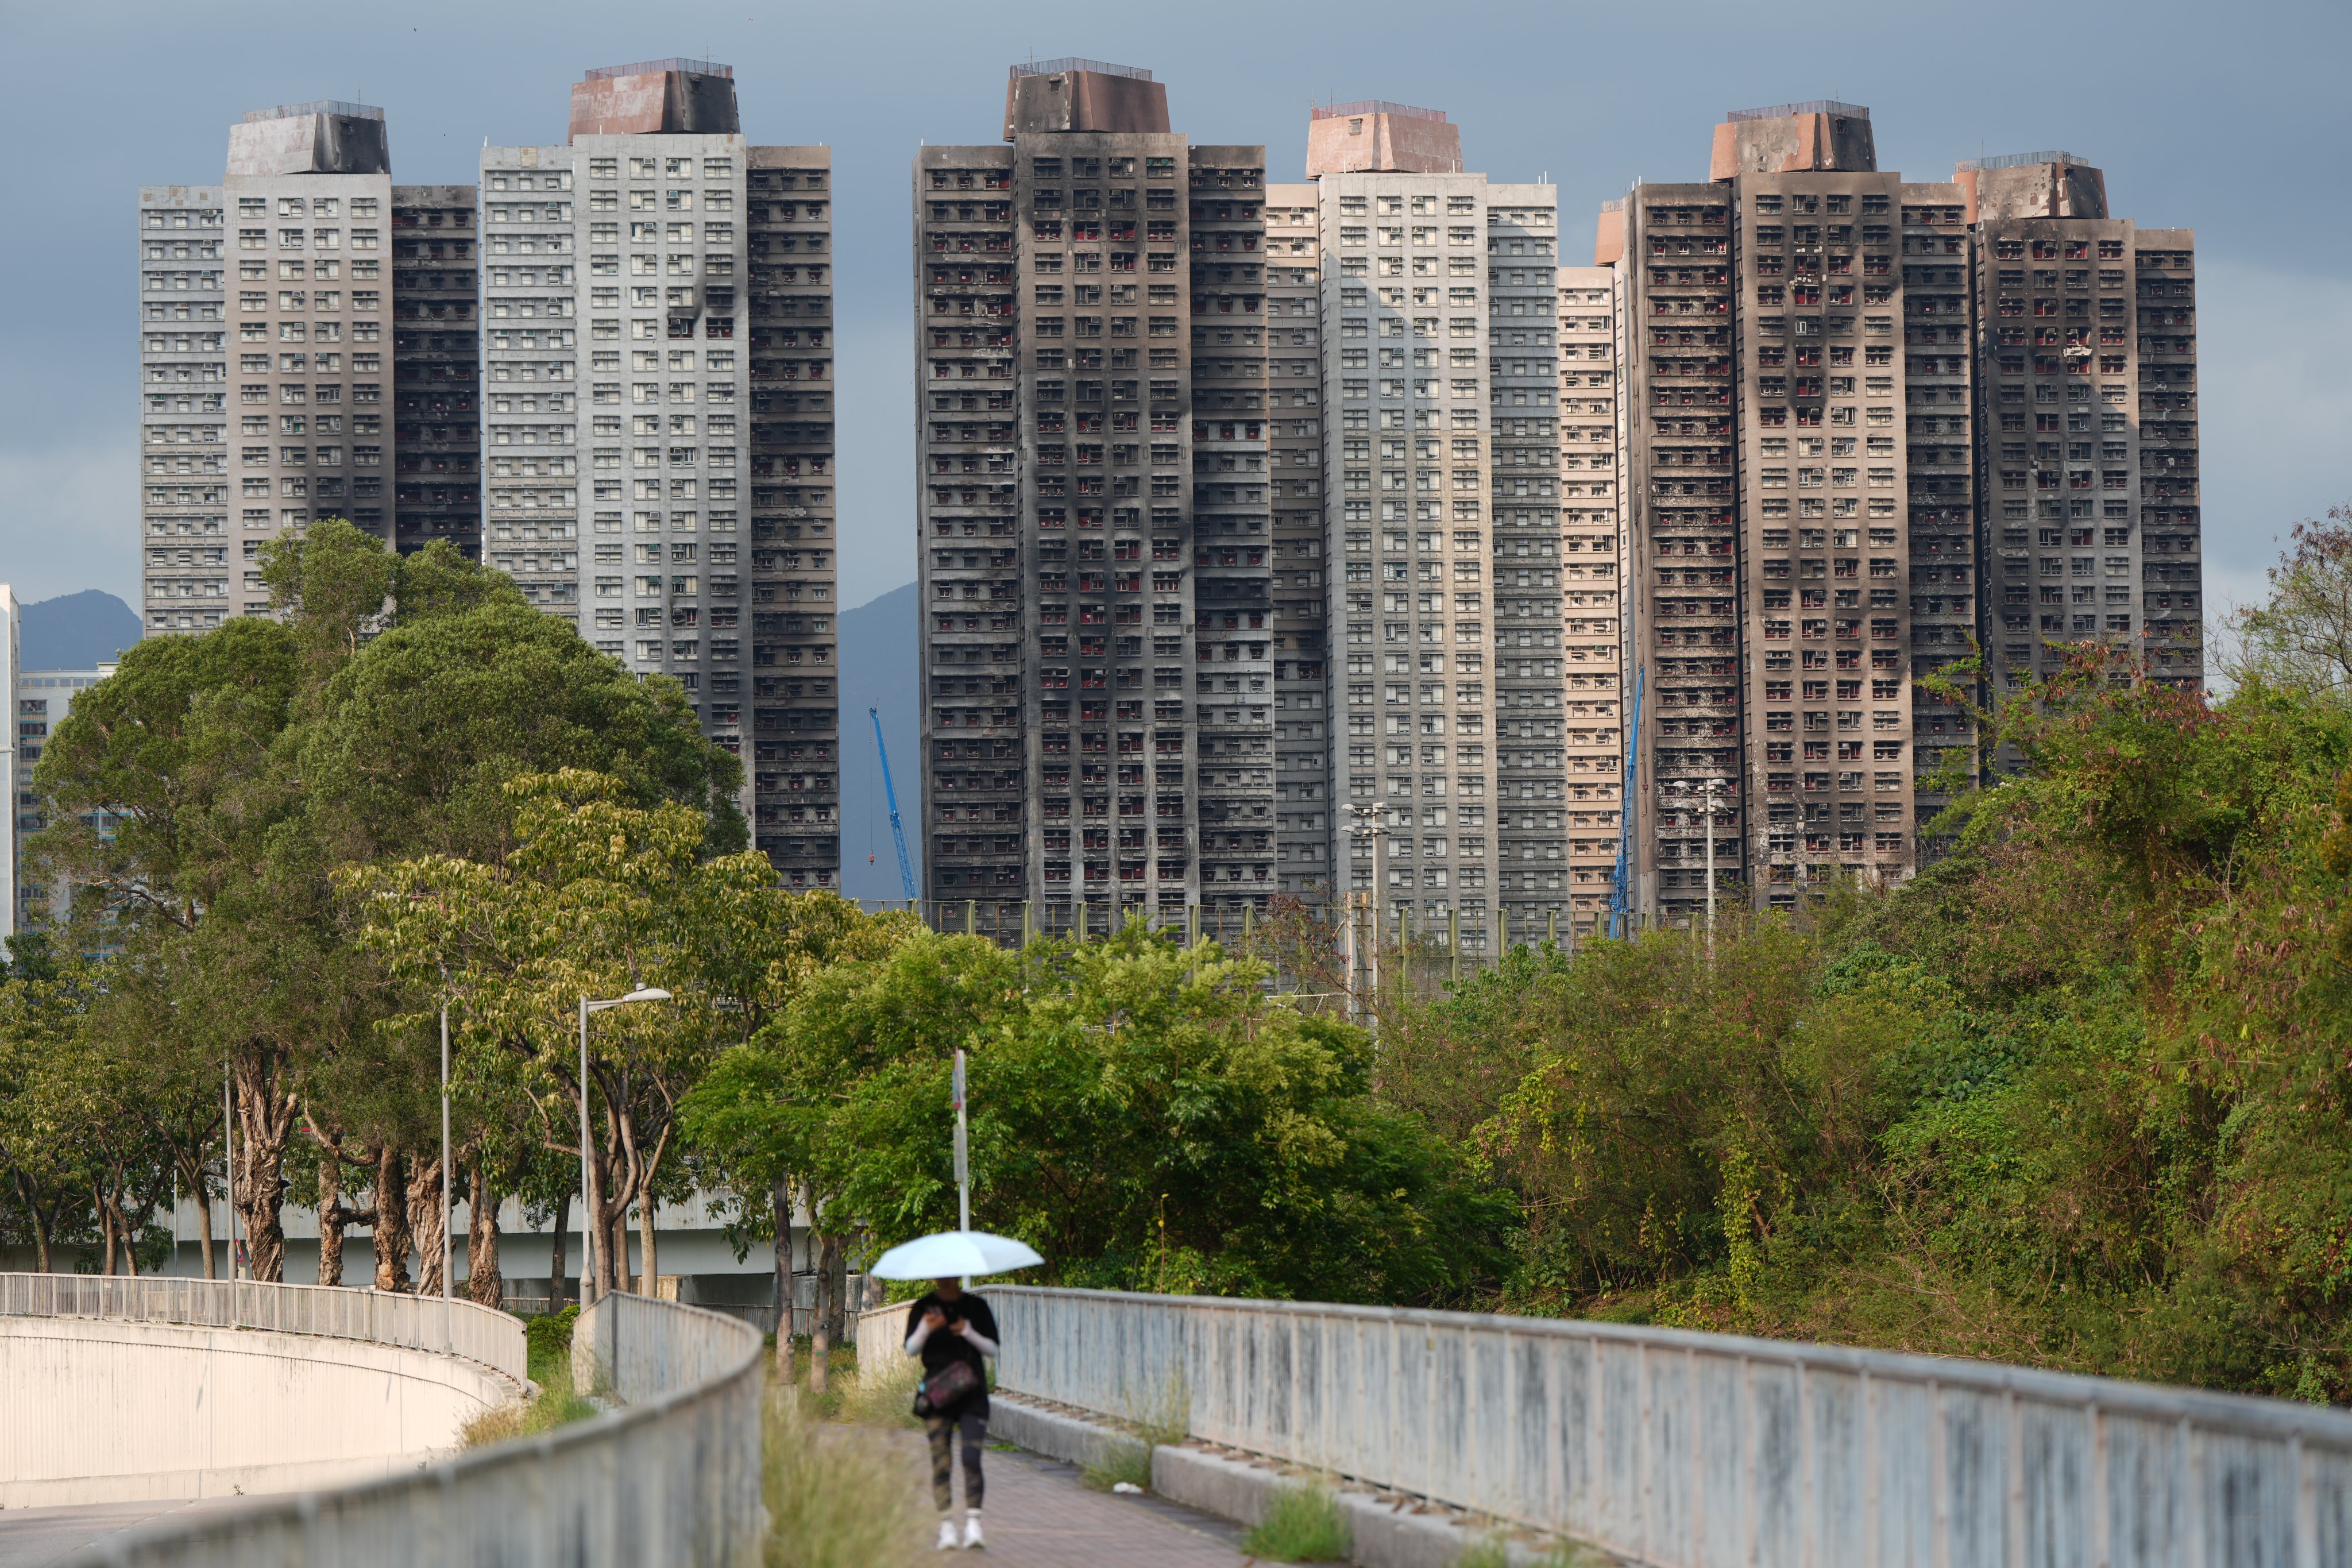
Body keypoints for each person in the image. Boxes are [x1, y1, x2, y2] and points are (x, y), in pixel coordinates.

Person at [905, 1275, 999, 1550]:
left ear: (958, 1275)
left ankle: (973, 1526)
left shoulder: (977, 1307)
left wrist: (968, 1331)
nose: (946, 1279)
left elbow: (992, 1349)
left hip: (973, 1394)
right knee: (941, 1462)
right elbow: (911, 1349)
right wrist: (925, 1328)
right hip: (938, 1396)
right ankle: (947, 1528)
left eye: (951, 1274)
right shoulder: (924, 1308)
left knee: (971, 1457)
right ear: (936, 1277)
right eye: (941, 1275)